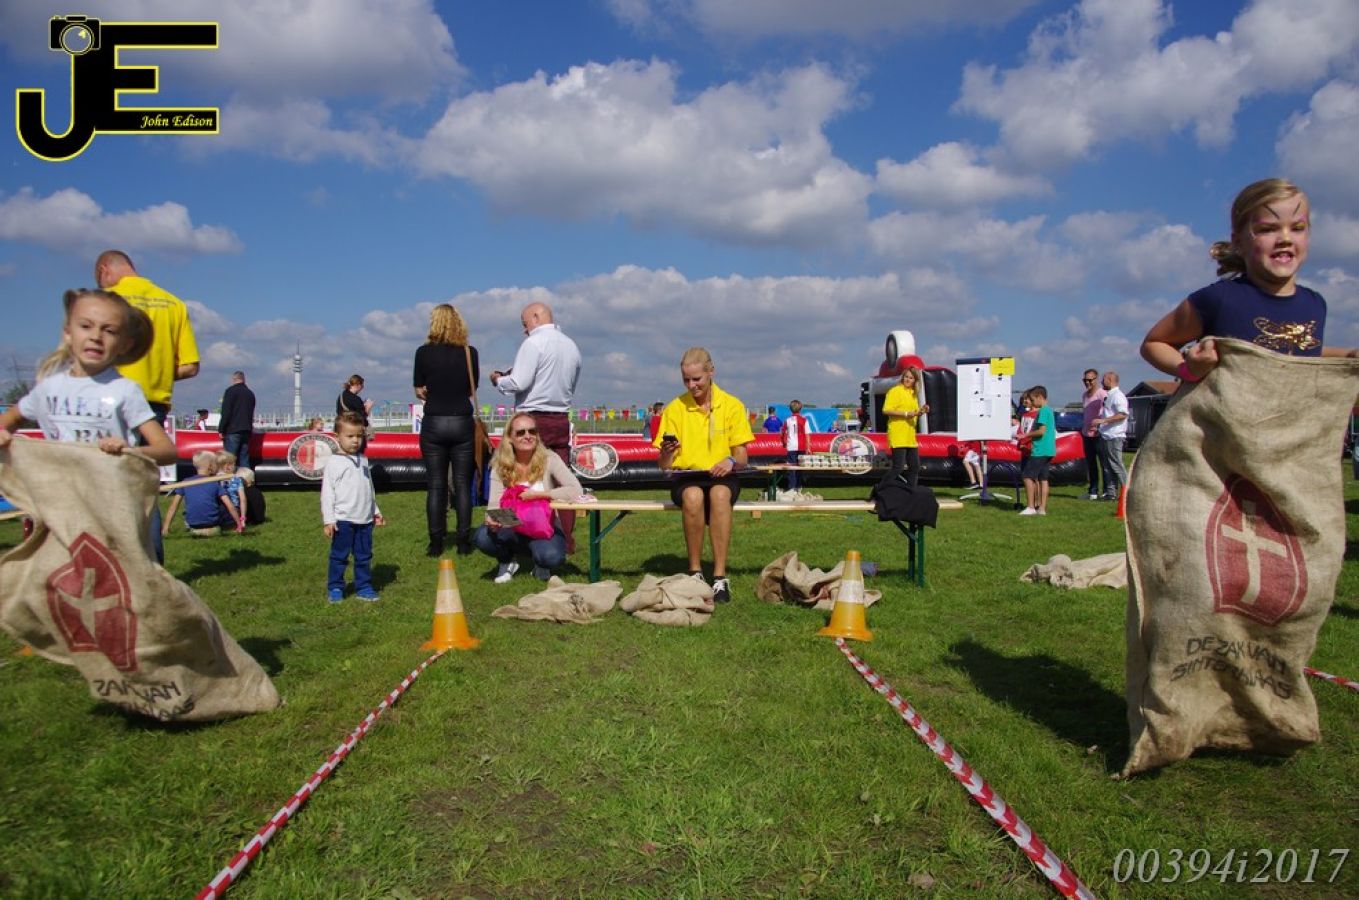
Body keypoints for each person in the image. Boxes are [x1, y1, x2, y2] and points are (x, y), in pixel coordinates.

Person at [1141, 177, 1357, 381]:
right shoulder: (1220, 298)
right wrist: (1188, 370)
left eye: (1297, 228)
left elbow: (1301, 352)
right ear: (1238, 242)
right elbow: (1154, 343)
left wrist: (1348, 355)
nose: (1285, 238)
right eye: (1267, 229)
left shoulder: (1315, 304)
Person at [0, 291, 177, 522]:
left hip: (110, 508)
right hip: (57, 508)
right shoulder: (48, 388)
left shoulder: (125, 391)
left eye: (109, 330)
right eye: (86, 326)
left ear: (125, 344)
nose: (96, 336)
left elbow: (167, 451)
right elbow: (10, 420)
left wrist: (127, 452)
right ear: (68, 333)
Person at [95, 249, 199, 562]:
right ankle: (152, 567)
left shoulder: (106, 302)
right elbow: (190, 366)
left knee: (105, 486)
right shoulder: (174, 303)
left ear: (105, 270)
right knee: (144, 489)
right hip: (154, 404)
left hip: (109, 401)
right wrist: (157, 373)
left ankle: (114, 565)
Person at [654, 347, 754, 604]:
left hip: (723, 476)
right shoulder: (675, 408)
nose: (692, 385)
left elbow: (742, 457)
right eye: (686, 380)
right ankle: (695, 572)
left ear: (711, 372)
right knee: (693, 496)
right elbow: (664, 466)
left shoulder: (732, 405)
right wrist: (667, 452)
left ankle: (719, 576)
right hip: (687, 477)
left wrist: (730, 461)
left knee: (719, 494)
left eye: (696, 379)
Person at [489, 302, 582, 549]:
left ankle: (517, 535)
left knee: (518, 477)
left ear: (536, 317)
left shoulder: (533, 343)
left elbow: (519, 382)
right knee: (561, 480)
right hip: (560, 418)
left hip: (532, 419)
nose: (524, 329)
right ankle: (564, 539)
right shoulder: (572, 346)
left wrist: (499, 380)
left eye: (525, 323)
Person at [473, 413, 584, 583]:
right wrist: (492, 519)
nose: (527, 436)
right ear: (510, 438)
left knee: (552, 557)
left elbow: (576, 489)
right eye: (521, 432)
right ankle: (507, 561)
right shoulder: (500, 464)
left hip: (545, 525)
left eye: (532, 431)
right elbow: (494, 502)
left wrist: (539, 495)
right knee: (482, 537)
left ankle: (541, 563)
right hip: (512, 523)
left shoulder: (550, 458)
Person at [412, 303, 479, 557]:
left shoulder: (423, 353)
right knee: (462, 484)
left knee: (436, 485)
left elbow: (419, 390)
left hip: (434, 421)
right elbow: (472, 388)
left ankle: (436, 542)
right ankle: (463, 541)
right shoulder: (469, 352)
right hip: (462, 421)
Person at [321, 411, 384, 603]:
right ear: (337, 436)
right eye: (350, 436)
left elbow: (368, 487)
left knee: (364, 556)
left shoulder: (363, 459)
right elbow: (327, 493)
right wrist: (329, 520)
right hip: (343, 519)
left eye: (359, 436)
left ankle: (363, 587)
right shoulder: (334, 463)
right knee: (339, 556)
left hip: (364, 519)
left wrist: (375, 511)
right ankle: (335, 587)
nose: (355, 441)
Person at [164, 450, 240, 536]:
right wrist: (239, 524)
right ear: (210, 466)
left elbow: (173, 506)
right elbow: (230, 505)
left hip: (193, 527)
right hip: (213, 526)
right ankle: (229, 525)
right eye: (216, 464)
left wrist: (165, 528)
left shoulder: (185, 482)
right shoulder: (214, 483)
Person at [880, 367, 929, 487]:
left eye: (911, 378)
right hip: (898, 433)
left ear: (915, 380)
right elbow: (886, 410)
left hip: (909, 435)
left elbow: (914, 413)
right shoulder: (895, 391)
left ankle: (910, 491)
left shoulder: (913, 394)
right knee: (898, 467)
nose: (907, 380)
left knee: (915, 466)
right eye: (906, 377)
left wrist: (921, 411)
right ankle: (879, 489)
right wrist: (906, 414)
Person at [1016, 385, 1056, 515]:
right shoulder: (1049, 410)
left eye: (1033, 400)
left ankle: (1030, 507)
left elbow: (1041, 431)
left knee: (1027, 476)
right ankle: (1042, 508)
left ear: (1039, 397)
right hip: (1049, 449)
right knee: (1043, 479)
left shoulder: (1043, 411)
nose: (1032, 403)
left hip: (1039, 450)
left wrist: (1026, 435)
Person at [1091, 371, 1129, 501]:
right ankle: (1111, 493)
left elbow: (1123, 414)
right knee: (1107, 466)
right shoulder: (1109, 396)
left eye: (1104, 379)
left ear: (1110, 380)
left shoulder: (1118, 396)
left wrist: (1103, 421)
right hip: (1106, 435)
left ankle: (1127, 492)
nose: (1102, 382)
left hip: (1115, 436)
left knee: (1116, 465)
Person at [218, 370, 256, 470]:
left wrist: (221, 429)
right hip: (246, 430)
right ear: (244, 379)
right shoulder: (250, 394)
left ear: (234, 379)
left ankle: (229, 478)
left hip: (233, 430)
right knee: (244, 458)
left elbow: (226, 412)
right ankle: (246, 477)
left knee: (229, 459)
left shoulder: (230, 391)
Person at [1079, 368, 1106, 500]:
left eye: (1090, 380)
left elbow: (1107, 412)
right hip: (1086, 434)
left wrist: (1101, 424)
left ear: (1096, 380)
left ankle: (1107, 491)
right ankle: (1093, 491)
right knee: (1091, 463)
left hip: (1099, 434)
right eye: (1085, 380)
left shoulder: (1102, 394)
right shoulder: (1084, 395)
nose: (1087, 382)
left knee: (1104, 463)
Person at [781, 399, 811, 490]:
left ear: (790, 409)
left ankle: (791, 487)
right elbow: (807, 435)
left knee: (791, 468)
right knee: (800, 467)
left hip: (791, 447)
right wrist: (808, 447)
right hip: (801, 446)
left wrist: (784, 443)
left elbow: (782, 433)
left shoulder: (787, 420)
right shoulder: (804, 420)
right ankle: (798, 486)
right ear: (800, 409)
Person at [215, 449, 248, 532]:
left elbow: (243, 500)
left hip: (224, 511)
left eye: (231, 464)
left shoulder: (236, 480)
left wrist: (242, 518)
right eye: (223, 465)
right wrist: (242, 518)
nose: (228, 467)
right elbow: (243, 500)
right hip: (227, 510)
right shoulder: (215, 479)